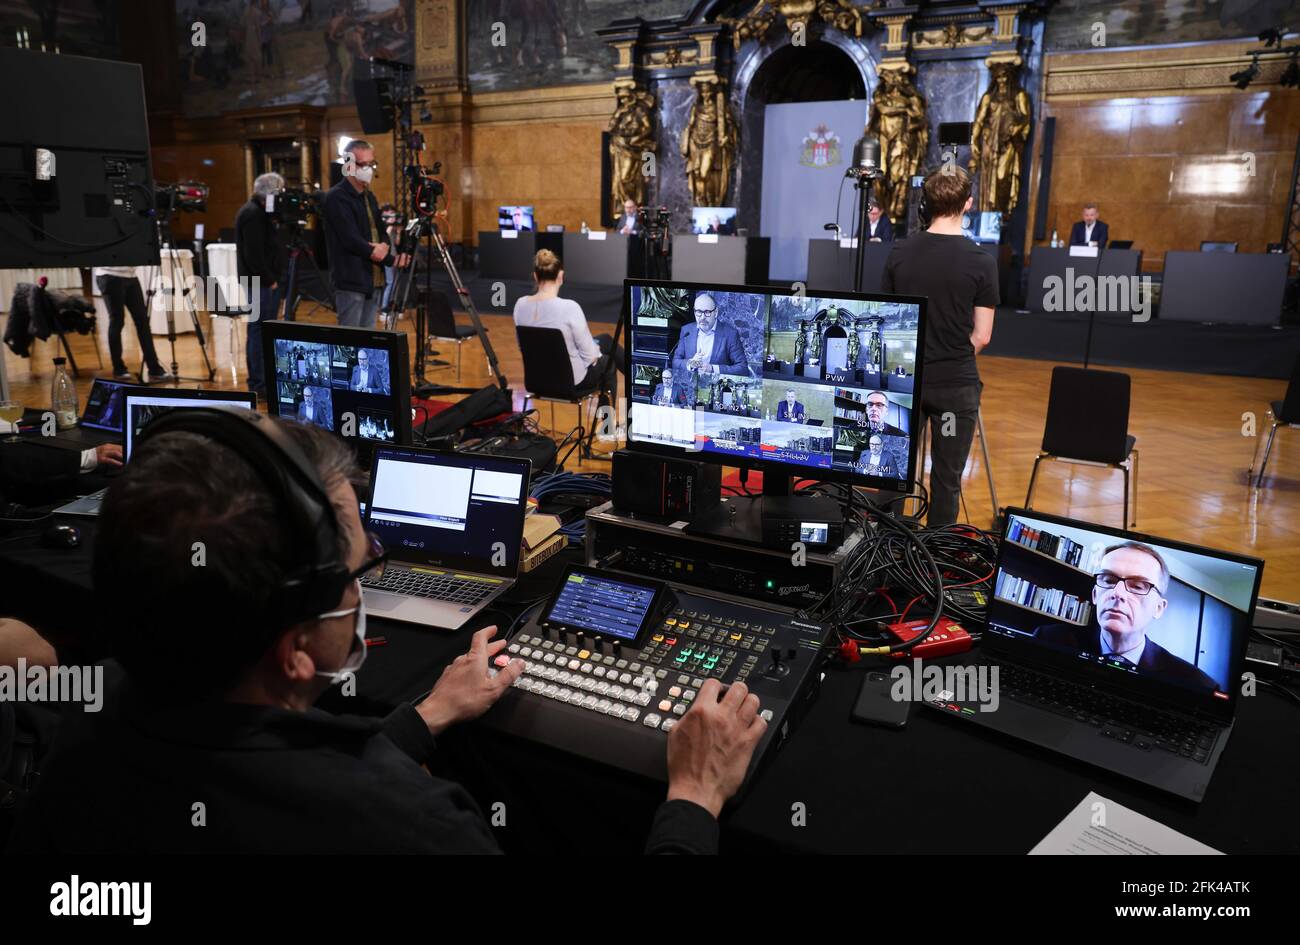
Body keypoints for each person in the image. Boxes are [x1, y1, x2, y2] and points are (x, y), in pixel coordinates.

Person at [8, 417, 766, 853]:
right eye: (356, 568)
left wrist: (423, 718)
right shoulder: (411, 828)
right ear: (298, 649)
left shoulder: (76, 731)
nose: (366, 574)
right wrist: (692, 804)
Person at [882, 166, 997, 526]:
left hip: (904, 387)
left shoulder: (900, 252)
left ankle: (882, 555)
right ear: (968, 204)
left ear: (924, 205)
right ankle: (936, 565)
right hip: (953, 391)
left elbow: (887, 322)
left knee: (894, 471)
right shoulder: (981, 261)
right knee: (946, 480)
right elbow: (982, 335)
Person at [1034, 542, 1218, 693]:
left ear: (1159, 608)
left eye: (1138, 586)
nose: (1118, 593)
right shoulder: (1048, 639)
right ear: (1095, 595)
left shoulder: (1196, 685)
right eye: (1108, 580)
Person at [321, 139, 409, 329]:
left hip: (372, 279)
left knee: (367, 340)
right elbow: (350, 240)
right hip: (351, 280)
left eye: (372, 164)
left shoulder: (369, 196)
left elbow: (380, 228)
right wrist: (390, 259)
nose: (369, 169)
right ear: (349, 165)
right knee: (350, 343)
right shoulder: (336, 197)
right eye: (364, 164)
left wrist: (385, 243)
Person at [513, 249, 624, 393]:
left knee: (605, 340)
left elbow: (523, 346)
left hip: (537, 381)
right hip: (570, 382)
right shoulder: (570, 308)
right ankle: (609, 413)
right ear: (561, 276)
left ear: (535, 276)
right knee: (608, 363)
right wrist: (596, 353)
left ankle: (638, 376)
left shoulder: (520, 305)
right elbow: (591, 357)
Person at [235, 172, 287, 401]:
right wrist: (270, 279)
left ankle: (264, 379)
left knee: (263, 329)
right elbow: (253, 254)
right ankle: (258, 382)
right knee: (258, 330)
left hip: (263, 281)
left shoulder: (261, 213)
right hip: (260, 282)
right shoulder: (252, 214)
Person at [91, 266, 174, 383]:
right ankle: (119, 368)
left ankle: (154, 369)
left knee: (143, 322)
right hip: (109, 275)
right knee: (117, 321)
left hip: (131, 277)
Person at [672, 293, 749, 378]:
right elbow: (675, 362)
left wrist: (713, 369)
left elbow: (743, 368)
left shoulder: (730, 334)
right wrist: (690, 363)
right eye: (698, 312)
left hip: (716, 387)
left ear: (715, 312)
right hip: (690, 387)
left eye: (707, 312)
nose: (702, 317)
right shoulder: (686, 331)